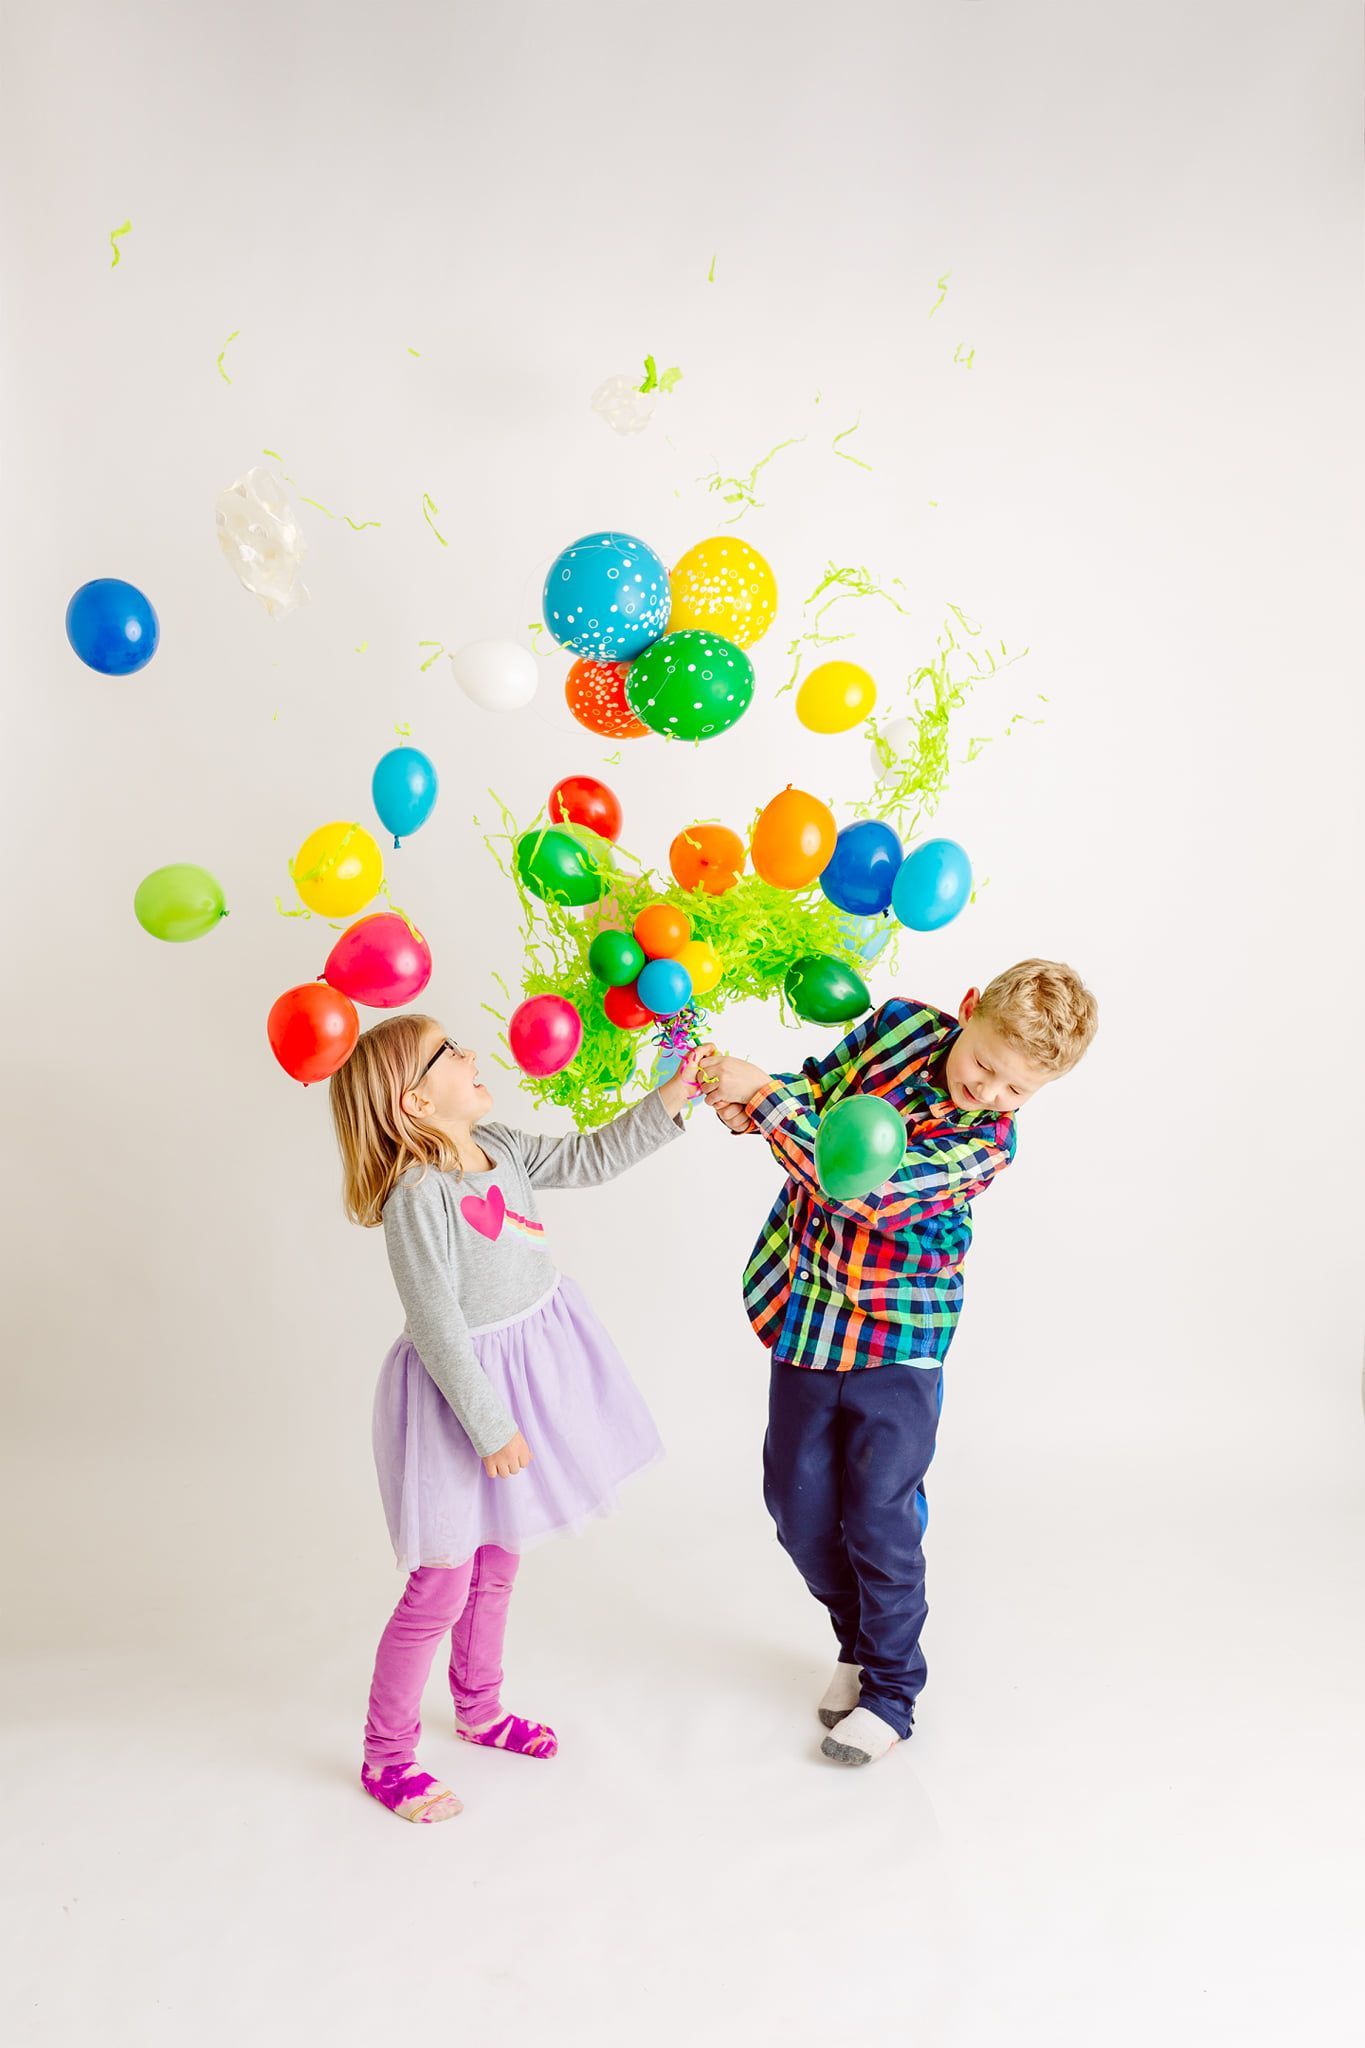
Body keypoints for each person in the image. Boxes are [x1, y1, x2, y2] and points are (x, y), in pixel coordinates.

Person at [702, 960, 1098, 1766]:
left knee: (879, 1517)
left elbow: (860, 1188)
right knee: (796, 1504)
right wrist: (743, 1095)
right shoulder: (900, 1028)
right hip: (809, 1316)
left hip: (898, 1341)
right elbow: (812, 1096)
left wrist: (766, 1106)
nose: (989, 1094)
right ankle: (855, 1641)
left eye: (1017, 1091)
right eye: (985, 1065)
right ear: (964, 1013)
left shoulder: (984, 1146)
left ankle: (891, 1689)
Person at [330, 1014, 707, 1822]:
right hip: (459, 1399)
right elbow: (434, 1323)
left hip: (529, 1372)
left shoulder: (498, 1143)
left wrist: (670, 1098)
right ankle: (387, 1756)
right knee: (441, 1583)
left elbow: (590, 1155)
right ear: (414, 1101)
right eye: (448, 1053)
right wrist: (488, 1426)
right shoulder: (417, 1198)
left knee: (501, 1557)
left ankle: (479, 1708)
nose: (471, 1055)